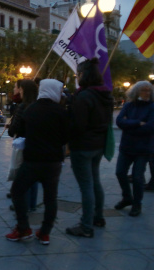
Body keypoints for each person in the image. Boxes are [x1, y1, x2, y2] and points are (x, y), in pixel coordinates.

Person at [5, 79, 69, 245]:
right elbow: (66, 137)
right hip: (54, 161)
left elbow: (20, 131)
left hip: (33, 159)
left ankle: (23, 227)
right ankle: (45, 233)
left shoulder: (31, 109)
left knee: (17, 191)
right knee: (50, 198)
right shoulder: (61, 111)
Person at [66, 58, 114, 238]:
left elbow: (78, 125)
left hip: (83, 146)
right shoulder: (105, 95)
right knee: (95, 182)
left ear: (84, 75)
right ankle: (98, 217)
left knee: (86, 186)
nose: (77, 77)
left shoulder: (84, 96)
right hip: (98, 145)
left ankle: (86, 226)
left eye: (77, 74)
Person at [114, 81, 154, 216]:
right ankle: (127, 197)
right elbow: (119, 121)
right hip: (127, 146)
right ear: (136, 92)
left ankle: (137, 204)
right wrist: (137, 123)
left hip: (143, 148)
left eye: (149, 90)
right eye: (143, 90)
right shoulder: (129, 105)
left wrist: (129, 126)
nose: (147, 93)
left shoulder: (152, 107)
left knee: (137, 178)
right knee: (120, 172)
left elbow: (149, 127)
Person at [7, 80, 39, 212]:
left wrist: (10, 127)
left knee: (22, 178)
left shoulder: (22, 106)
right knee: (33, 177)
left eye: (16, 87)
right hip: (35, 145)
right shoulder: (37, 105)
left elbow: (13, 130)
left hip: (22, 146)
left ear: (22, 90)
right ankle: (32, 204)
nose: (15, 90)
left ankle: (21, 206)